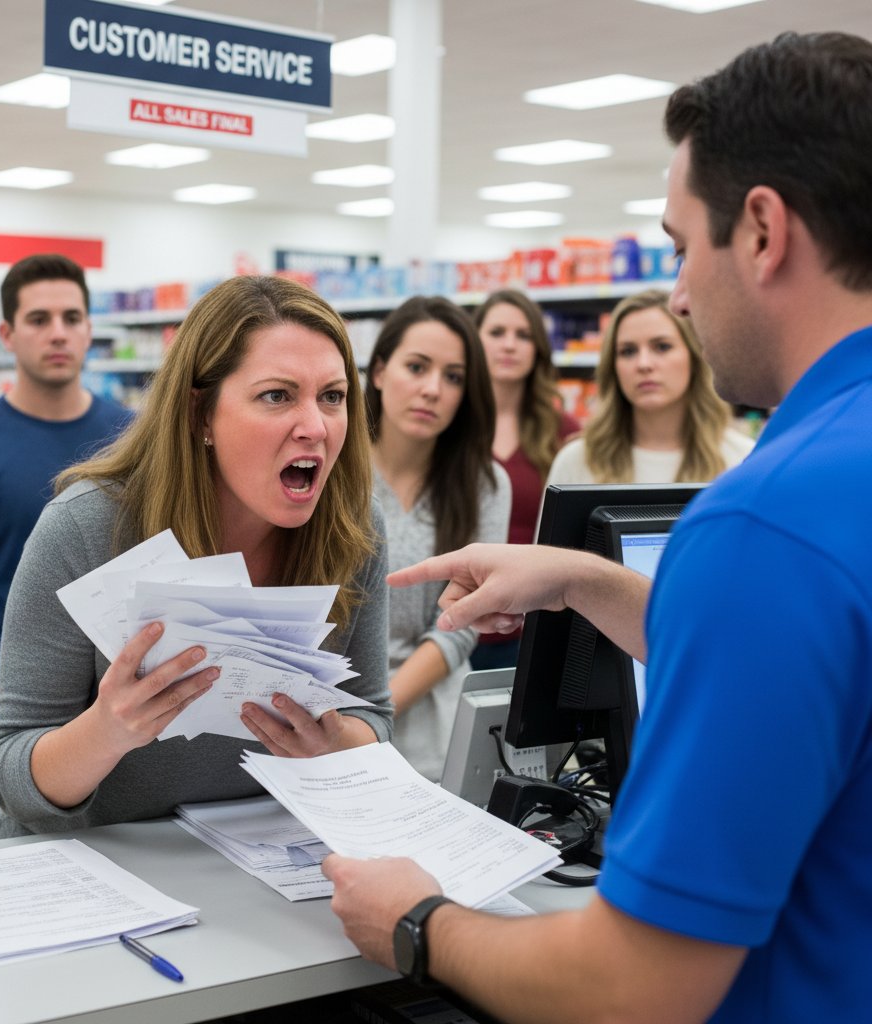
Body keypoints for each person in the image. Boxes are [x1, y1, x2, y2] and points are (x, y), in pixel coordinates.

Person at [322, 32, 872, 1023]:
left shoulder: (762, 521)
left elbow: (633, 986)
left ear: (759, 231)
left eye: (678, 243)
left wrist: (418, 920)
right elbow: (829, 659)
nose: (673, 291)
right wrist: (585, 581)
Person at [0, 275, 392, 838]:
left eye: (333, 396)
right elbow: (9, 774)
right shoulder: (85, 528)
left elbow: (372, 716)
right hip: (93, 867)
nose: (316, 427)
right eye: (277, 395)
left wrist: (335, 742)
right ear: (201, 414)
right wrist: (108, 730)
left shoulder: (354, 529)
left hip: (253, 864)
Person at [0, 253, 133, 841]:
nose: (58, 332)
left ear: (90, 328)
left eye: (71, 316)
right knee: (3, 881)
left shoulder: (135, 440)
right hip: (7, 719)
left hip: (129, 716)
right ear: (8, 334)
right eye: (39, 319)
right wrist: (27, 696)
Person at [366, 296, 510, 781]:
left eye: (452, 377)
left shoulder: (484, 485)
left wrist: (376, 715)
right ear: (380, 371)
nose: (432, 389)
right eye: (417, 366)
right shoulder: (329, 465)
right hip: (319, 710)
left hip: (432, 733)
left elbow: (461, 624)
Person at [545, 288, 753, 490]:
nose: (643, 364)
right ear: (613, 367)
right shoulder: (576, 461)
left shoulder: (742, 459)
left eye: (662, 347)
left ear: (693, 357)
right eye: (628, 351)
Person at [470, 289, 580, 669]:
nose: (509, 344)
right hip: (453, 623)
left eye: (523, 334)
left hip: (535, 622)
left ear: (538, 349)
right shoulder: (448, 425)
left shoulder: (564, 433)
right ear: (474, 339)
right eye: (497, 332)